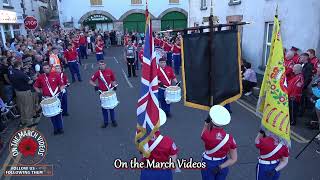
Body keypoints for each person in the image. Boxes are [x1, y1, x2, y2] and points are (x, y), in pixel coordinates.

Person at [140, 109, 179, 180]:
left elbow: (141, 152)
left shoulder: (141, 138)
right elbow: (173, 159)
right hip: (163, 173)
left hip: (147, 172)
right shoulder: (168, 141)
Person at [201, 105, 238, 180]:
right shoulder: (230, 138)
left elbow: (203, 133)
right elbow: (234, 159)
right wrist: (220, 166)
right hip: (222, 164)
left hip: (208, 163)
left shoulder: (206, 134)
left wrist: (206, 123)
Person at [34, 62, 66, 135]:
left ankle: (60, 128)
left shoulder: (56, 75)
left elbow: (62, 85)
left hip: (56, 97)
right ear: (43, 69)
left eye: (47, 68)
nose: (46, 70)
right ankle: (55, 129)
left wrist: (60, 91)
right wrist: (40, 93)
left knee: (58, 113)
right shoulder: (41, 77)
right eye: (44, 68)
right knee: (51, 114)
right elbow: (35, 86)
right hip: (47, 98)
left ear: (50, 68)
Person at [89, 60, 118, 128]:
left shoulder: (110, 71)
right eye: (100, 64)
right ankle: (105, 122)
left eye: (102, 64)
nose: (101, 66)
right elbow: (90, 81)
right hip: (102, 92)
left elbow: (113, 80)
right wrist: (95, 85)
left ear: (105, 65)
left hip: (109, 91)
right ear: (98, 65)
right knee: (104, 107)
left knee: (111, 106)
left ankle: (113, 120)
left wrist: (115, 86)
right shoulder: (97, 73)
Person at [8, 61, 37, 127]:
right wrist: (34, 79)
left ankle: (23, 120)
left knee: (22, 107)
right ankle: (29, 122)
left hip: (17, 91)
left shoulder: (11, 71)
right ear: (19, 65)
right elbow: (29, 82)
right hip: (25, 92)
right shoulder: (21, 74)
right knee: (28, 106)